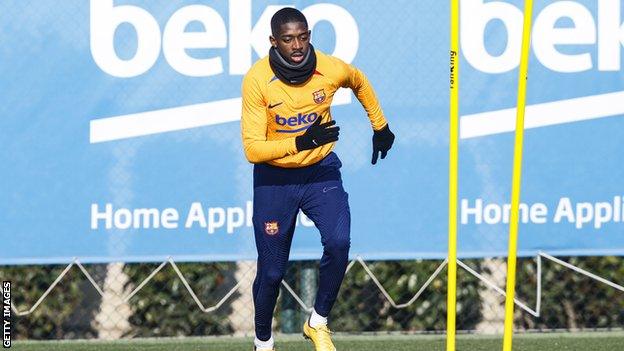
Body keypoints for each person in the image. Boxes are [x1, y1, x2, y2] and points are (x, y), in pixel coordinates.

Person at [240, 7, 395, 351]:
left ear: (309, 35)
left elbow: (359, 81)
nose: (297, 45)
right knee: (272, 273)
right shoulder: (256, 79)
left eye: (303, 36)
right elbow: (253, 149)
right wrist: (300, 141)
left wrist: (380, 125)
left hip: (320, 171)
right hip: (274, 180)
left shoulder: (329, 67)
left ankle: (318, 322)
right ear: (273, 41)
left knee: (339, 243)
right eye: (288, 38)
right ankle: (263, 341)